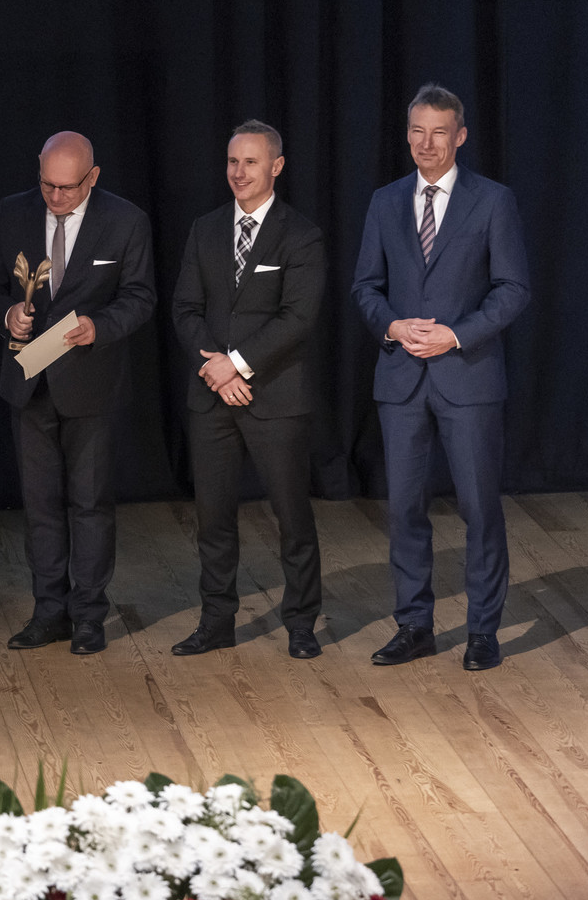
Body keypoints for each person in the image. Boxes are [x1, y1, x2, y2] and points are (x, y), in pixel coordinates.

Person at [352, 84, 530, 671]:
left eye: (439, 133)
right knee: (404, 507)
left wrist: (455, 334)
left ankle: (482, 631)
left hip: (468, 377)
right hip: (400, 379)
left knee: (479, 508)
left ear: (460, 136)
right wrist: (392, 325)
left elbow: (513, 289)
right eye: (417, 131)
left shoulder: (493, 200)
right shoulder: (385, 201)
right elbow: (366, 286)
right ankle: (414, 626)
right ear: (407, 135)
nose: (426, 144)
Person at [0, 131, 154, 655]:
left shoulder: (125, 220)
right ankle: (48, 612)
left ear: (92, 178)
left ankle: (89, 615)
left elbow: (140, 297)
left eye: (67, 188)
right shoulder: (12, 212)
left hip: (91, 384)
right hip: (29, 384)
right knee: (41, 506)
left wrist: (100, 325)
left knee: (90, 504)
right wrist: (7, 313)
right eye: (47, 184)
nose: (55, 197)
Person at [170, 121, 326, 660]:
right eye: (233, 161)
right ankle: (216, 621)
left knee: (292, 516)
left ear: (276, 166)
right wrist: (215, 369)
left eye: (251, 162)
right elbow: (186, 309)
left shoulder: (300, 234)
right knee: (213, 518)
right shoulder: (205, 229)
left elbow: (298, 317)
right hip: (211, 395)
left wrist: (236, 365)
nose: (239, 172)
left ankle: (301, 623)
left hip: (275, 397)